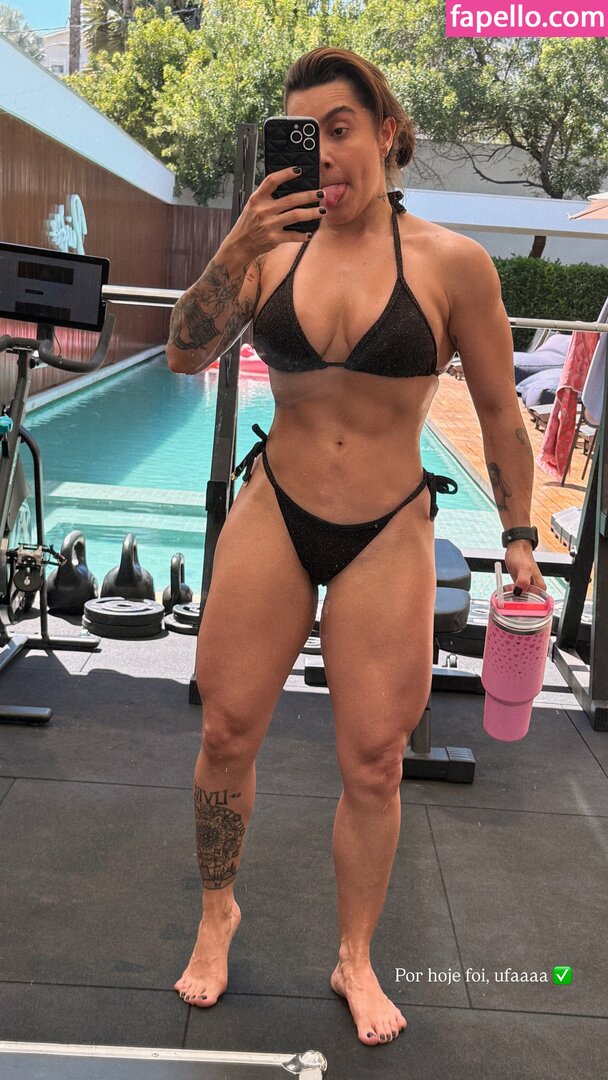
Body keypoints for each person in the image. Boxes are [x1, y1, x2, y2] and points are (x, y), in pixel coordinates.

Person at [166, 46, 546, 1047]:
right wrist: (233, 244)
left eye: (340, 129)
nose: (324, 154)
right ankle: (217, 914)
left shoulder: (452, 264)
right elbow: (181, 351)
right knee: (224, 733)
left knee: (375, 764)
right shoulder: (268, 249)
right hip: (276, 506)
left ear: (385, 132)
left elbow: (500, 416)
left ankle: (355, 956)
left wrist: (518, 538)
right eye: (306, 134)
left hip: (387, 527)